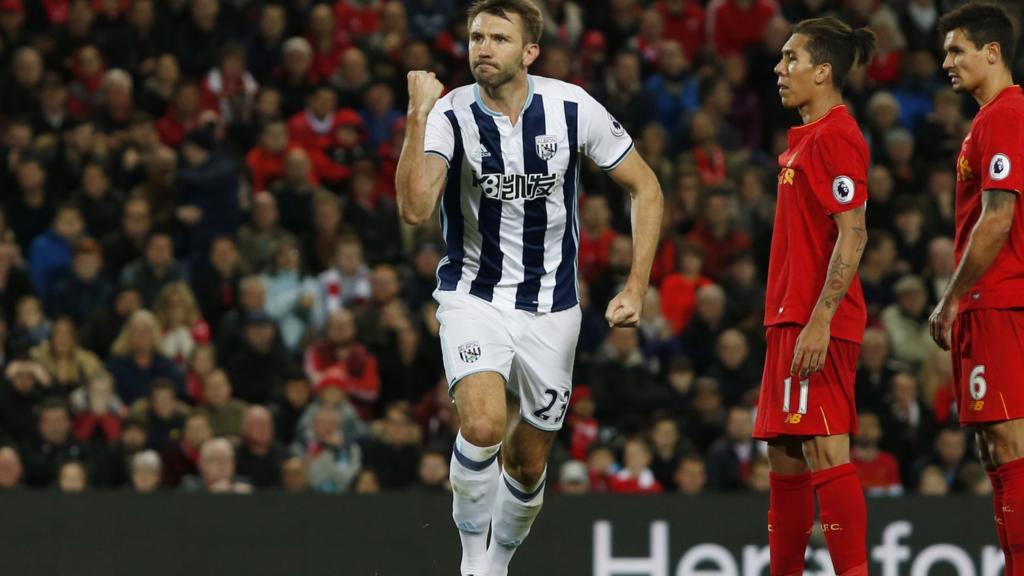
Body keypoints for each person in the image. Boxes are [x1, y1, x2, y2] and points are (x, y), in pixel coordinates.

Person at [395, 2, 663, 574]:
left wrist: (636, 285)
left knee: (527, 463)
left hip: (552, 310)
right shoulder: (449, 113)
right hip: (475, 295)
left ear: (530, 52)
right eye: (475, 37)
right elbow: (415, 208)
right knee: (484, 424)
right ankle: (473, 564)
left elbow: (645, 187)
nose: (482, 48)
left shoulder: (571, 107)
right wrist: (417, 117)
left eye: (498, 37)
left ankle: (498, 564)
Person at [751, 18, 875, 576]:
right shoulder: (805, 139)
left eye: (790, 59)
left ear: (823, 71)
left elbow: (855, 230)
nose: (779, 70)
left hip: (815, 321)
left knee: (827, 450)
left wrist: (821, 319)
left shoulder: (837, 136)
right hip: (788, 319)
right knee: (784, 452)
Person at [928, 4, 1024, 571]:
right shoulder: (989, 118)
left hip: (999, 299)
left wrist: (953, 295)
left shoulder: (1004, 115)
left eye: (956, 50)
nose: (947, 62)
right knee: (996, 451)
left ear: (992, 52)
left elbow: (997, 217)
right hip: (989, 302)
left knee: (1010, 448)